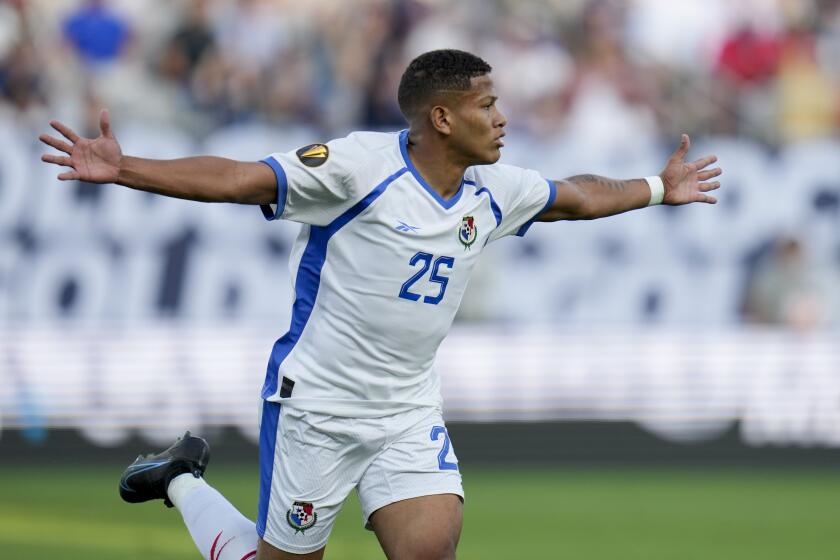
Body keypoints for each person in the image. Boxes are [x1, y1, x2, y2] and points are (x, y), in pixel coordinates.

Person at [40, 49, 721, 560]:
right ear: (443, 117)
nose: (502, 118)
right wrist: (125, 168)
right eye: (488, 105)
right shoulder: (358, 166)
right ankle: (181, 479)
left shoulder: (493, 189)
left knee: (429, 552)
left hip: (406, 409)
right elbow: (241, 179)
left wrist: (657, 188)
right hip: (318, 407)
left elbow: (577, 195)